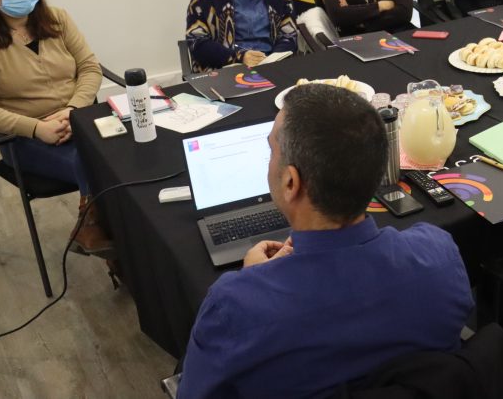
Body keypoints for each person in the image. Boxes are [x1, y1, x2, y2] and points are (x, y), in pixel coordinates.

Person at [178, 84, 473, 399]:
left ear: (291, 182)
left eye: (270, 151)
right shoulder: (439, 257)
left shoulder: (234, 307)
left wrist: (253, 280)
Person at [0, 0, 111, 255]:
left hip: (79, 120)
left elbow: (90, 68)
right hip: (25, 139)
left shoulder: (57, 19)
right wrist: (37, 128)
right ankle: (102, 235)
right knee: (92, 161)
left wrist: (72, 111)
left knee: (122, 152)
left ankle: (99, 230)